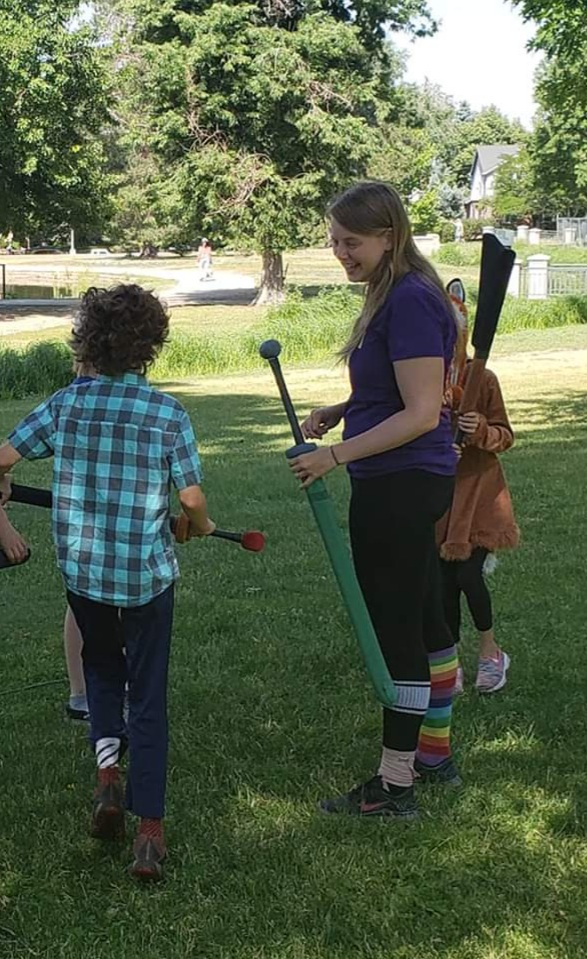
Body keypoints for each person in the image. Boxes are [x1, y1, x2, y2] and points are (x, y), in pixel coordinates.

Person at [0, 284, 215, 881]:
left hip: (84, 576)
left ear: (86, 341)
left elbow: (2, 457)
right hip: (146, 578)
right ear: (151, 346)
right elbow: (192, 500)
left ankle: (106, 785)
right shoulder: (167, 413)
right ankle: (150, 836)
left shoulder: (67, 404)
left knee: (100, 672)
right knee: (147, 696)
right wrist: (198, 523)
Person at [290, 181, 460, 820]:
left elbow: (420, 413)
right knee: (424, 615)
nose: (340, 252)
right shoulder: (395, 293)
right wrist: (344, 411)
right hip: (406, 478)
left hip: (401, 482)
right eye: (334, 240)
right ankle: (435, 753)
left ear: (390, 235)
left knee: (397, 630)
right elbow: (399, 391)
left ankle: (395, 784)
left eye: (351, 241)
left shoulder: (411, 300)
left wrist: (334, 455)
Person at [438, 289, 519, 695]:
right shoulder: (424, 378)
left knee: (469, 574)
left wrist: (481, 430)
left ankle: (491, 652)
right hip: (440, 498)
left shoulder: (482, 378)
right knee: (443, 582)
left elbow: (506, 435)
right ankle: (449, 660)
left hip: (481, 497)